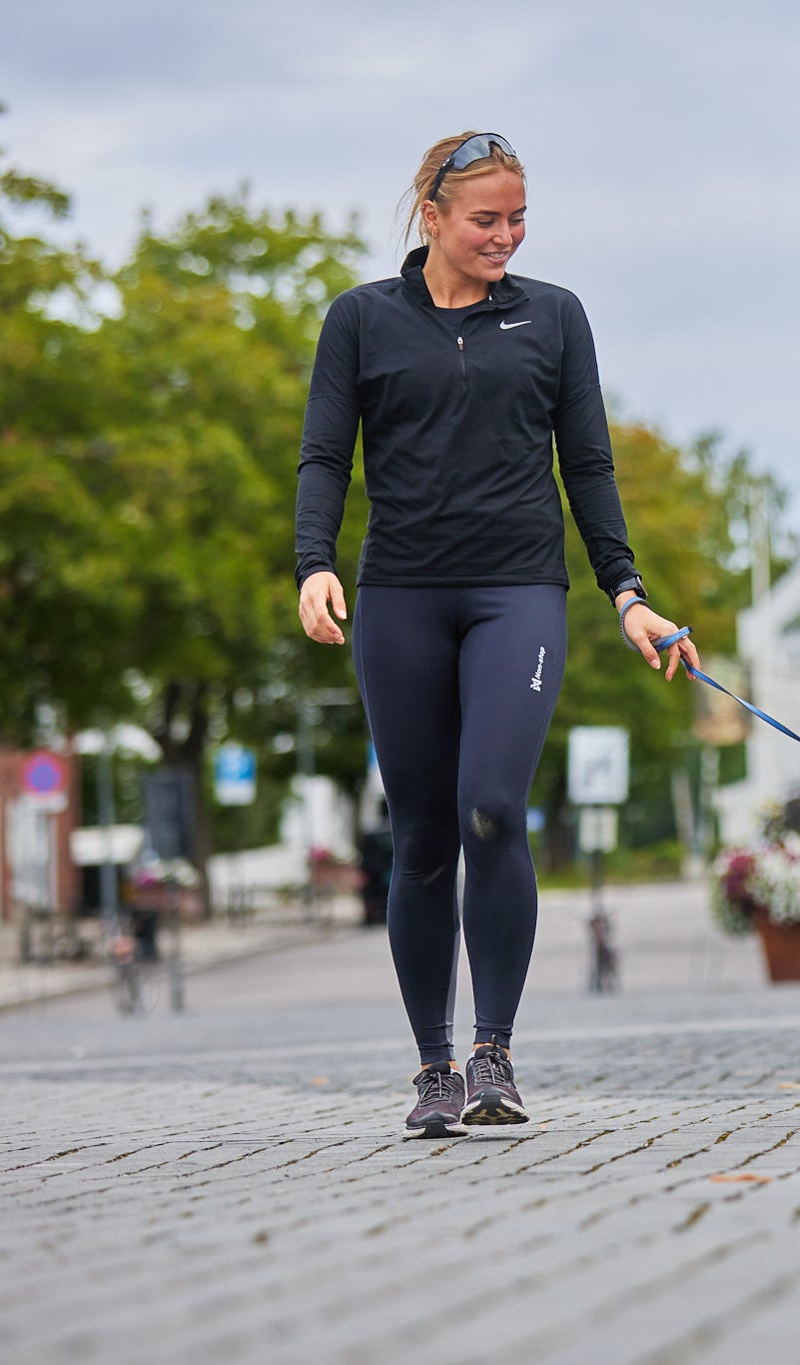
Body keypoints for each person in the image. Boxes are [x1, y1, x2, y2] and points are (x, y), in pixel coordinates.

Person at [294, 131, 699, 1139]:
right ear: (431, 216)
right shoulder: (361, 319)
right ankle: (434, 1066)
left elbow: (588, 464)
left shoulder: (554, 317)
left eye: (519, 218)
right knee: (423, 833)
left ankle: (494, 1051)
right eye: (486, 219)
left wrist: (627, 591)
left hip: (518, 592)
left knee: (489, 809)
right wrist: (314, 563)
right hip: (401, 597)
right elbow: (324, 456)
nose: (505, 236)